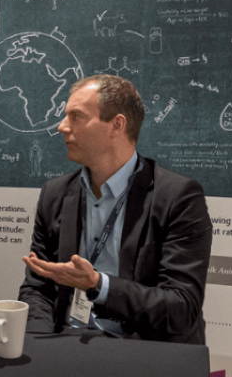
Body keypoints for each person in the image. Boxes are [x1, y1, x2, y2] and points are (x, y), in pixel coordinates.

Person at [18, 74, 212, 344]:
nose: (62, 127)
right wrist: (39, 347)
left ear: (117, 125)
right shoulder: (55, 193)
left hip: (142, 349)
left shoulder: (177, 197)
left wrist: (99, 285)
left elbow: (182, 306)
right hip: (67, 343)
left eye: (76, 116)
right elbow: (38, 288)